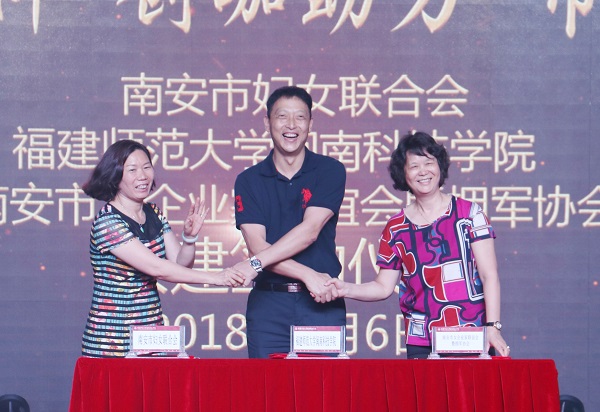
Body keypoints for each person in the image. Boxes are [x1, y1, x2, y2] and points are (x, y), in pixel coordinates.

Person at [326, 131, 510, 359]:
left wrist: (493, 327)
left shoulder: (469, 214)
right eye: (414, 166)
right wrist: (346, 288)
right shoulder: (396, 228)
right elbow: (383, 286)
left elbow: (488, 275)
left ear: (440, 166)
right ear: (403, 174)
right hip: (423, 339)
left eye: (429, 163)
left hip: (471, 333)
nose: (423, 171)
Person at [80, 139, 243, 357]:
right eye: (132, 170)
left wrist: (189, 238)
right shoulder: (108, 223)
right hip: (111, 341)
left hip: (149, 336)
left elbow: (179, 264)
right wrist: (217, 277)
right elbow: (158, 268)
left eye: (147, 167)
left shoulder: (153, 212)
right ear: (115, 176)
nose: (142, 176)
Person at [233, 85, 346, 358]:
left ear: (310, 124)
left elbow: (310, 231)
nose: (291, 125)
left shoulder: (330, 170)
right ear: (267, 123)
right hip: (269, 306)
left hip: (321, 303)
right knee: (267, 385)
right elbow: (257, 246)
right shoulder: (248, 180)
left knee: (324, 385)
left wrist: (255, 264)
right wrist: (307, 275)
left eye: (300, 117)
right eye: (282, 116)